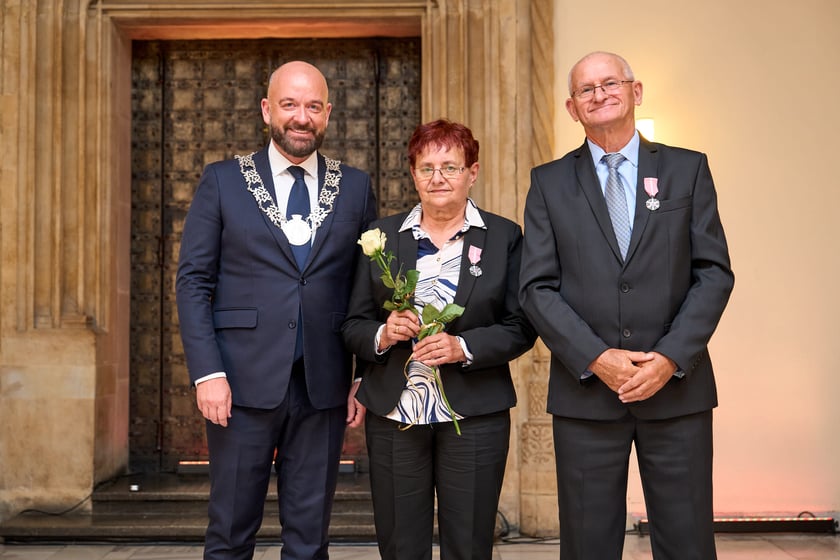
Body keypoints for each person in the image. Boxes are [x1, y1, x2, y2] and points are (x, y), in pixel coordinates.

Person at [518, 52, 734, 560]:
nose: (599, 94)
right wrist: (596, 358)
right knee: (588, 544)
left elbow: (714, 273)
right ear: (572, 109)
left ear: (635, 92)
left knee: (687, 543)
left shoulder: (687, 168)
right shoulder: (548, 182)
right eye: (586, 90)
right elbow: (536, 288)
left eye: (609, 83)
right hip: (587, 396)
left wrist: (669, 358)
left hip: (677, 391)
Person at [176, 61, 377, 560]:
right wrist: (207, 374)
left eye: (312, 106)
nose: (301, 117)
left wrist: (363, 377)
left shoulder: (355, 187)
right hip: (239, 385)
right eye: (290, 104)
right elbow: (193, 281)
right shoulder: (222, 181)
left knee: (310, 540)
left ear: (328, 113)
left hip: (323, 386)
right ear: (268, 109)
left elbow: (366, 289)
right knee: (229, 533)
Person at [342, 119, 536, 560]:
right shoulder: (382, 238)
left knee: (468, 544)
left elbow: (522, 326)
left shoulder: (504, 237)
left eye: (450, 166)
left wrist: (462, 347)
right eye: (427, 167)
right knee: (400, 545)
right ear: (413, 174)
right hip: (396, 414)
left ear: (473, 172)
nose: (438, 178)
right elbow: (352, 324)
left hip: (476, 414)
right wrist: (383, 333)